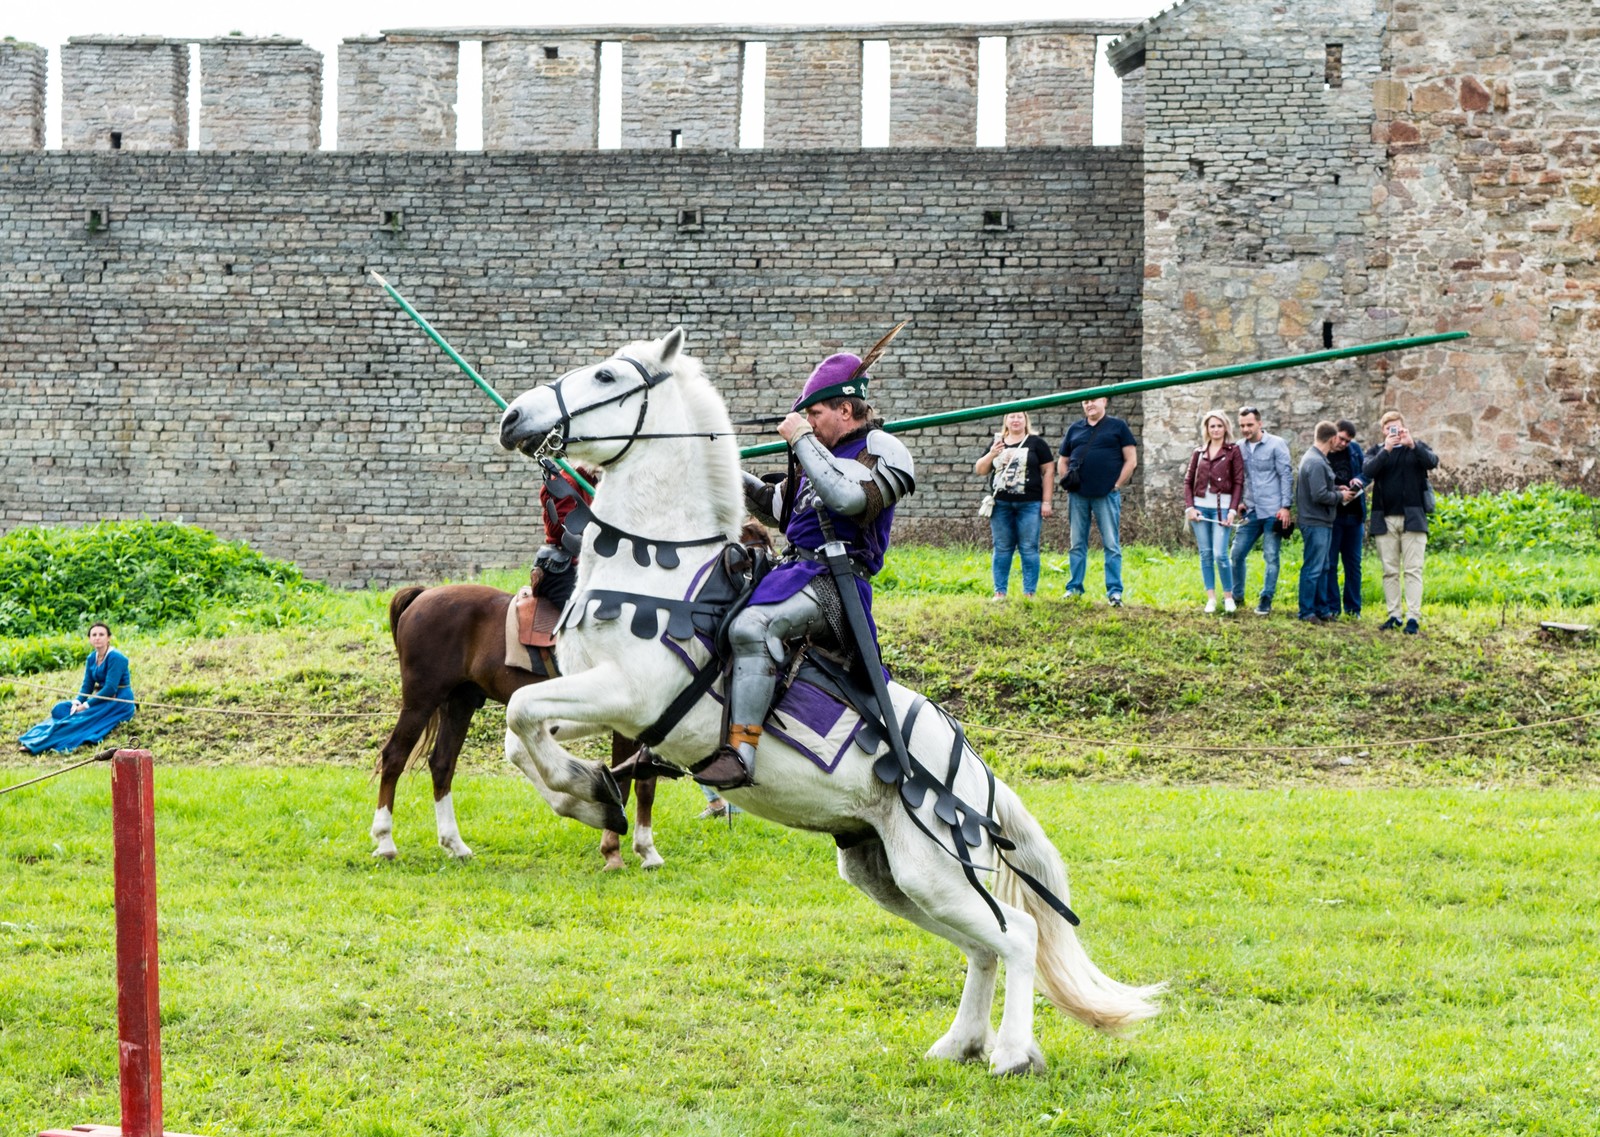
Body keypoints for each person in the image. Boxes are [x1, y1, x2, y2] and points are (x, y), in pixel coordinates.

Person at [693, 351, 915, 789]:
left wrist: (800, 440)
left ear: (846, 410)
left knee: (753, 627)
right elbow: (779, 508)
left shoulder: (882, 450)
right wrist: (722, 463)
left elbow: (848, 500)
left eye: (815, 412)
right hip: (793, 572)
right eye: (807, 416)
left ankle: (740, 753)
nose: (809, 421)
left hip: (836, 582)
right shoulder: (819, 453)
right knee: (708, 611)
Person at [1055, 397, 1137, 605]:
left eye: (1093, 400)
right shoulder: (1075, 428)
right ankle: (1074, 588)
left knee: (1111, 544)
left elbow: (1131, 460)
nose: (1089, 404)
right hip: (1078, 495)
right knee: (1076, 544)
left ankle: (1114, 591)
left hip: (1106, 495)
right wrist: (1066, 481)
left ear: (1105, 402)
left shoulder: (1118, 427)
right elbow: (1063, 460)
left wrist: (1117, 484)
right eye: (1085, 402)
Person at [1364, 410, 1438, 634]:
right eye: (1389, 429)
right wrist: (1386, 450)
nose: (1393, 432)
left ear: (1404, 427)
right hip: (1384, 517)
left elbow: (1432, 462)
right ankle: (1394, 615)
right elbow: (1367, 471)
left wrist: (1412, 444)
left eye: (1397, 427)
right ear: (1383, 431)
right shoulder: (1377, 451)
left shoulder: (1416, 447)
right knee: (1390, 570)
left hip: (1413, 518)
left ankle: (1413, 617)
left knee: (1413, 570)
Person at [18, 622, 137, 754]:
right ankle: (34, 737)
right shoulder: (92, 658)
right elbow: (87, 685)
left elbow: (110, 688)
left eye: (101, 634)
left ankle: (39, 744)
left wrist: (85, 706)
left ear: (108, 638)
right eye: (94, 635)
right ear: (89, 639)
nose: (97, 637)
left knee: (80, 721)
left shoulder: (117, 658)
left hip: (118, 702)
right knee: (61, 710)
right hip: (102, 698)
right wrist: (77, 701)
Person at [974, 411, 1054, 600]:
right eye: (1012, 416)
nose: (1016, 420)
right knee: (1002, 547)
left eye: (1020, 416)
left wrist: (1047, 502)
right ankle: (1000, 592)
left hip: (1030, 504)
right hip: (1001, 504)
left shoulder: (1037, 443)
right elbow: (980, 470)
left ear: (1026, 420)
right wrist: (993, 453)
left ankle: (1029, 593)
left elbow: (1049, 471)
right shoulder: (998, 443)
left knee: (1028, 547)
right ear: (1006, 421)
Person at [1229, 406, 1295, 615]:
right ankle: (1237, 597)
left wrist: (1286, 507)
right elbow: (1238, 477)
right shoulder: (1239, 447)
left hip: (1273, 510)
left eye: (1249, 425)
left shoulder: (1277, 444)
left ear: (1260, 423)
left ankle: (1266, 598)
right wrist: (1238, 501)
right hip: (1250, 510)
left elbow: (1286, 475)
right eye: (1242, 426)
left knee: (1271, 556)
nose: (1246, 429)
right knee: (1236, 554)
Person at [1183, 410, 1245, 613]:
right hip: (1200, 510)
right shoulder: (1198, 452)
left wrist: (1232, 510)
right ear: (1207, 429)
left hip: (1222, 509)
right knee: (1206, 554)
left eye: (1219, 425)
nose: (1216, 429)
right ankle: (1211, 598)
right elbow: (1188, 481)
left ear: (1225, 427)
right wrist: (1190, 507)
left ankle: (1228, 597)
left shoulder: (1233, 451)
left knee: (1220, 554)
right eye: (1212, 426)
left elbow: (1238, 482)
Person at [1295, 421, 1356, 623]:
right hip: (1315, 521)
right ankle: (1306, 611)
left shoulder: (1317, 459)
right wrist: (1341, 497)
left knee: (1324, 567)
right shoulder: (1316, 462)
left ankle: (1322, 609)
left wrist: (1337, 489)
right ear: (1331, 438)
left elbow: (1322, 487)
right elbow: (1319, 495)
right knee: (1313, 567)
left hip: (1322, 521)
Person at [1324, 420, 1366, 617]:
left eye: (1348, 441)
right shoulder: (1323, 452)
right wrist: (1337, 490)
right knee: (1331, 564)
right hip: (1333, 516)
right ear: (1334, 433)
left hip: (1355, 515)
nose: (1344, 444)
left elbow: (1366, 471)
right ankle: (1333, 607)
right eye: (1341, 439)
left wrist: (1359, 480)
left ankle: (1353, 609)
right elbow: (1317, 484)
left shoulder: (1355, 450)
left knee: (1353, 564)